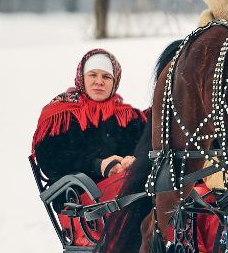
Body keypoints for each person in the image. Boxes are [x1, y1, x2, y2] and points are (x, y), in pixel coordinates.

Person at [31, 49, 147, 187]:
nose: (99, 82)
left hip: (129, 188)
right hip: (80, 197)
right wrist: (98, 165)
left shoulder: (128, 116)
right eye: (93, 75)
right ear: (82, 77)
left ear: (115, 82)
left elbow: (145, 147)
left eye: (106, 77)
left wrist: (134, 160)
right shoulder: (61, 115)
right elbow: (52, 159)